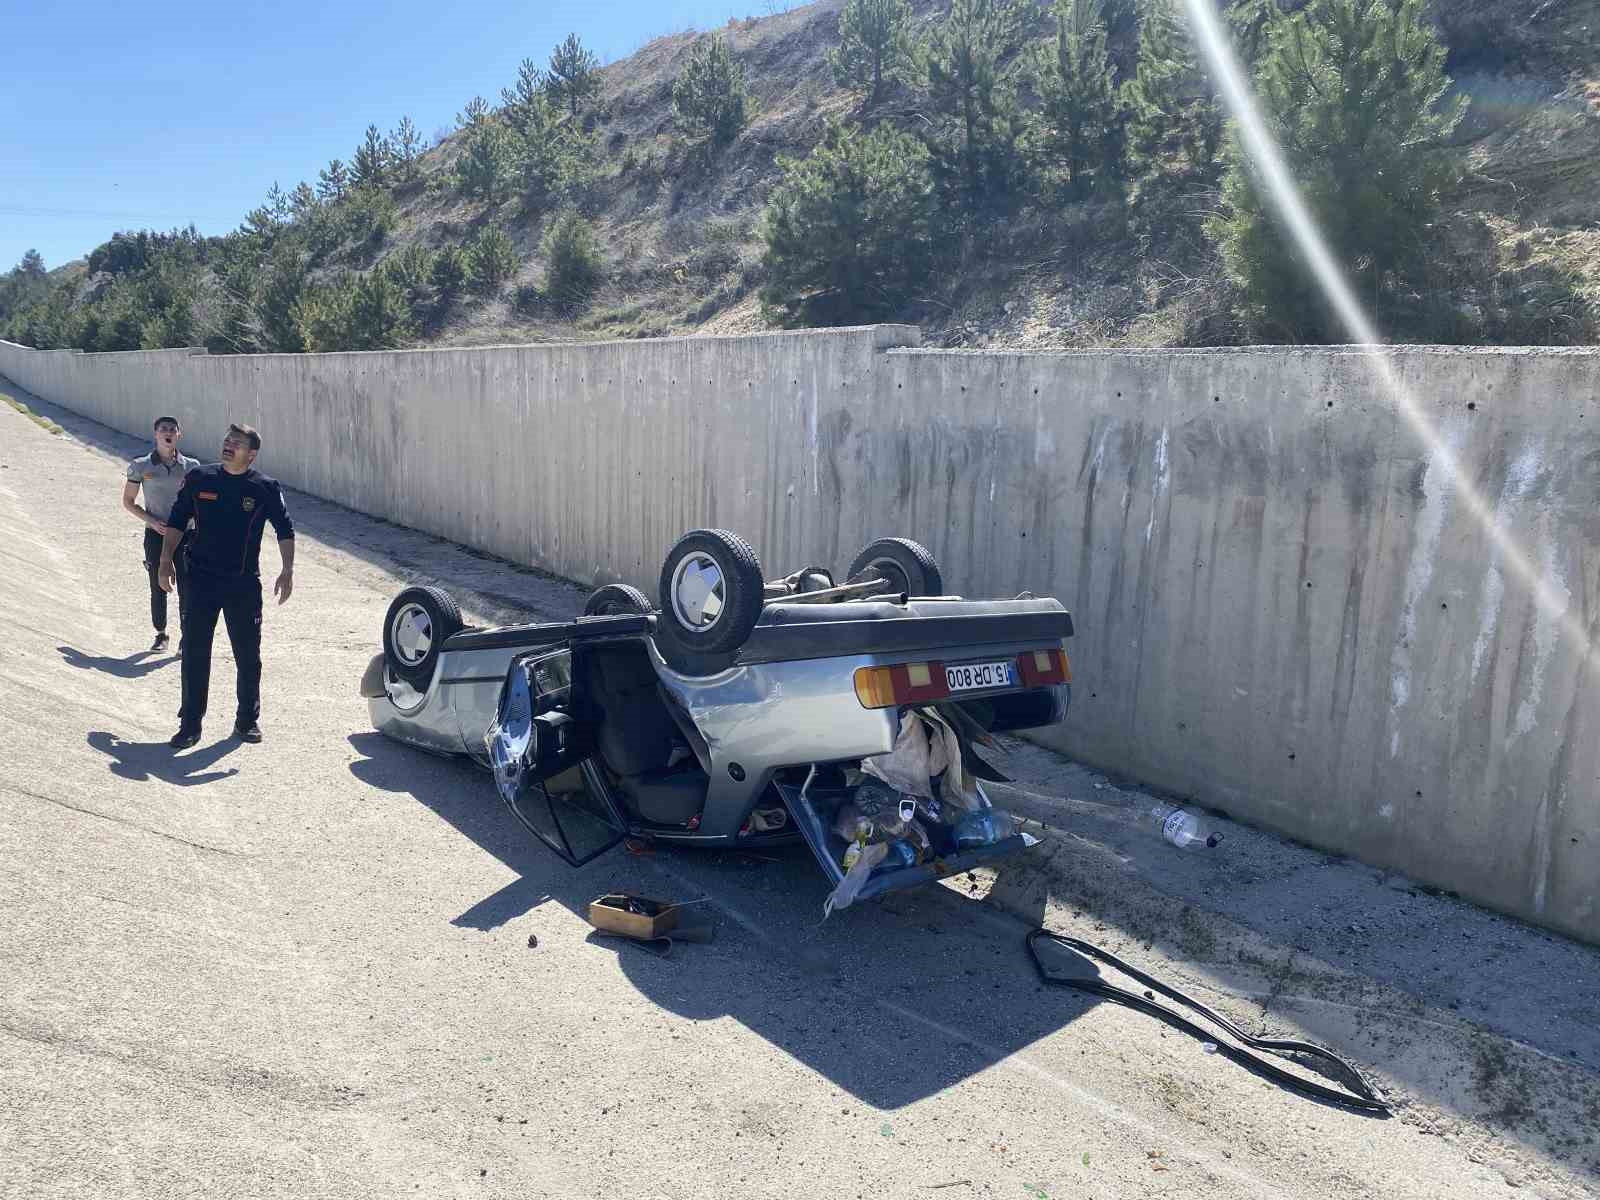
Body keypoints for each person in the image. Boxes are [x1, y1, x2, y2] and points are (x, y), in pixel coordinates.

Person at [158, 423, 295, 749]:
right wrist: (164, 561)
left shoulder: (264, 487)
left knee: (248, 655)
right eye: (227, 440)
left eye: (237, 443)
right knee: (195, 652)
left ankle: (246, 720)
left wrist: (287, 569)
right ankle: (190, 725)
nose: (228, 445)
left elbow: (284, 528)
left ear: (252, 454)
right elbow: (177, 520)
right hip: (200, 580)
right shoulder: (199, 478)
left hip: (242, 583)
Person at [122, 415, 198, 653]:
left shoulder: (191, 467)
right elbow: (128, 501)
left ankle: (187, 638)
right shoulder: (141, 466)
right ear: (156, 434)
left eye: (172, 429)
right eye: (163, 429)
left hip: (186, 535)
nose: (168, 432)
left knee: (187, 586)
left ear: (179, 435)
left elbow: (200, 501)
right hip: (156, 534)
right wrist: (152, 521)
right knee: (158, 585)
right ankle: (161, 634)